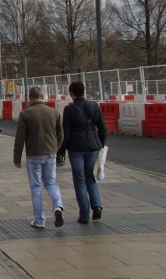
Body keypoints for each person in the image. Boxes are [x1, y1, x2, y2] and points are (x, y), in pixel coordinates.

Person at [13, 86, 65, 229]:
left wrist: (17, 158)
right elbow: (60, 135)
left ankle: (39, 220)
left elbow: (20, 139)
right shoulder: (54, 112)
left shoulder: (25, 114)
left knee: (36, 187)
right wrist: (55, 148)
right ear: (42, 96)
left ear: (30, 98)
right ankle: (58, 207)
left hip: (34, 154)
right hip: (51, 153)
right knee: (51, 182)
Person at [59, 80, 107, 224]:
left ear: (72, 93)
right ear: (83, 91)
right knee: (89, 176)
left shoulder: (69, 110)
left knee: (79, 179)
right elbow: (103, 128)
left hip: (76, 147)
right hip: (92, 145)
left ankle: (84, 214)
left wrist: (61, 151)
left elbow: (66, 133)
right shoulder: (94, 106)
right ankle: (97, 205)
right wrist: (100, 144)